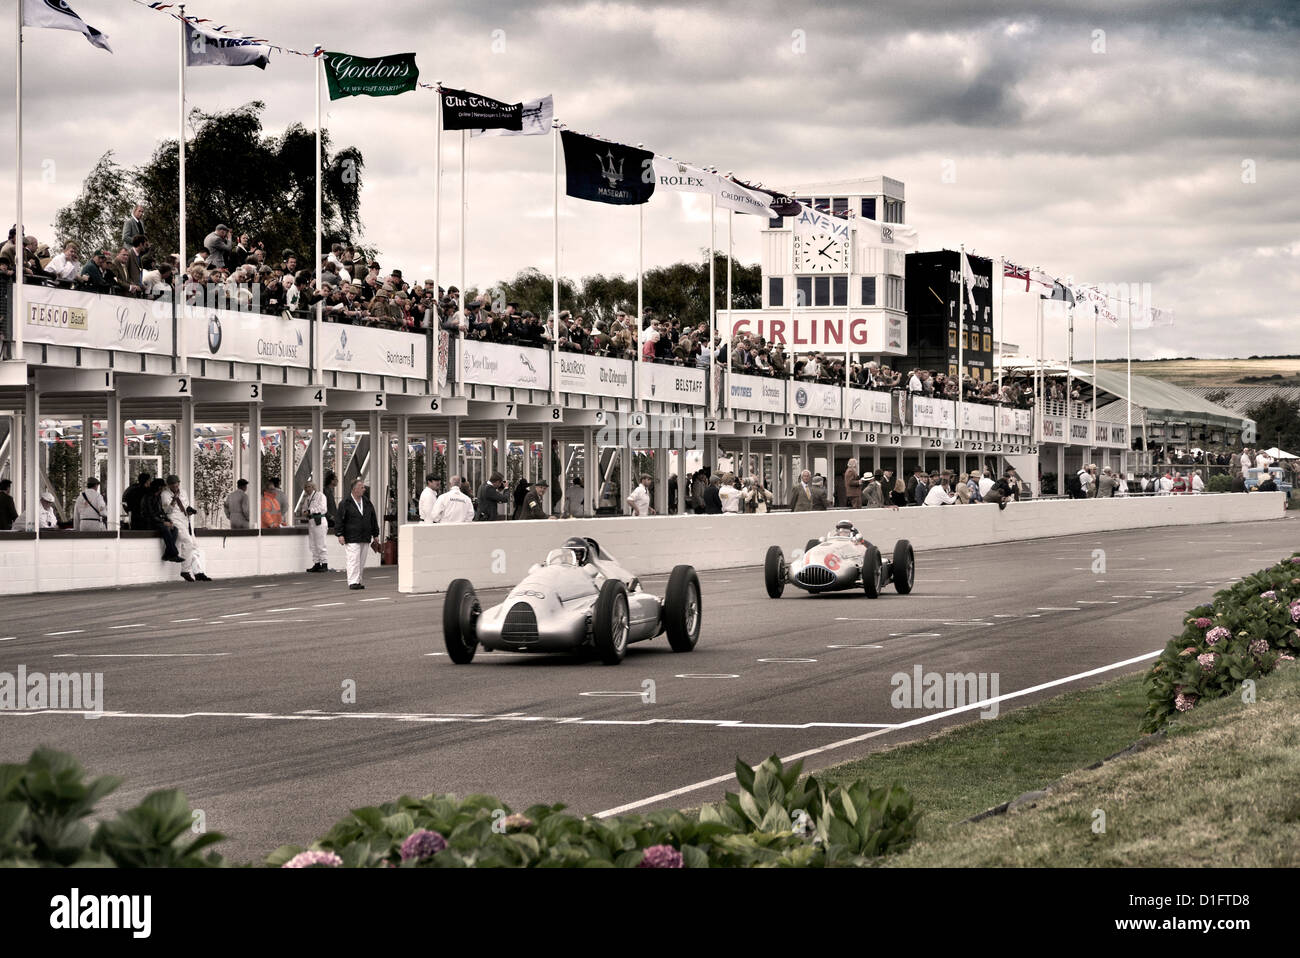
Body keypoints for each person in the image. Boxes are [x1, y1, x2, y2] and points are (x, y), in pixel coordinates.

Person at [161, 474, 209, 581]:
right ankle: (185, 571)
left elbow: (185, 505)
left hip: (185, 519)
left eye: (176, 483)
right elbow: (167, 511)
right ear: (168, 485)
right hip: (174, 519)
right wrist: (173, 500)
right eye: (172, 484)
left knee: (194, 545)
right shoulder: (165, 494)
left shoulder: (183, 492)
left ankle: (198, 572)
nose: (175, 486)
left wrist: (189, 509)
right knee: (188, 542)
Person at [337, 479, 380, 589]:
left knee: (361, 560)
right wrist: (340, 534)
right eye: (362, 487)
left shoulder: (366, 502)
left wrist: (375, 534)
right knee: (353, 559)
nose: (364, 489)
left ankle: (358, 580)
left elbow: (373, 518)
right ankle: (352, 581)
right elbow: (340, 520)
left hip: (365, 535)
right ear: (355, 489)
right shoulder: (345, 503)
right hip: (351, 536)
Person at [301, 479, 329, 572]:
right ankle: (317, 563)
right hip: (311, 520)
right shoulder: (307, 498)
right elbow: (304, 508)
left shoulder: (320, 495)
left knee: (321, 543)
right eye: (306, 487)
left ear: (313, 487)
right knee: (313, 544)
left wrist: (310, 511)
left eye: (309, 486)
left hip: (319, 519)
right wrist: (305, 512)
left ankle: (324, 563)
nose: (307, 489)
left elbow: (323, 508)